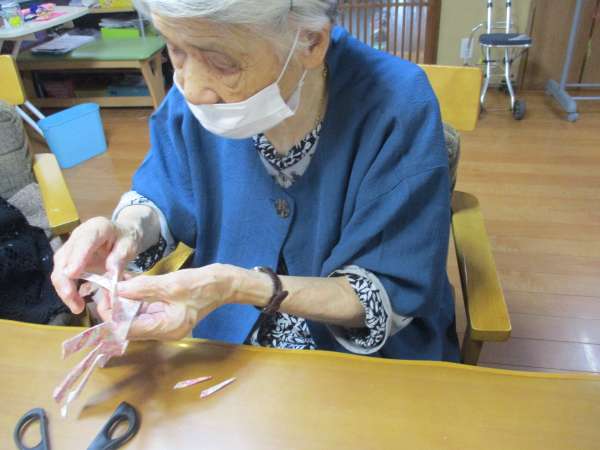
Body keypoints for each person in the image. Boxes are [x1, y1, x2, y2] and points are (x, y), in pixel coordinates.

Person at [52, 0, 459, 361]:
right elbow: (165, 189)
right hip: (228, 343)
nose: (192, 90)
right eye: (174, 50)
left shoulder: (397, 106)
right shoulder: (195, 84)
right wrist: (126, 232)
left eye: (223, 63)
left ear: (310, 42)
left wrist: (239, 287)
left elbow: (386, 292)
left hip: (358, 363)